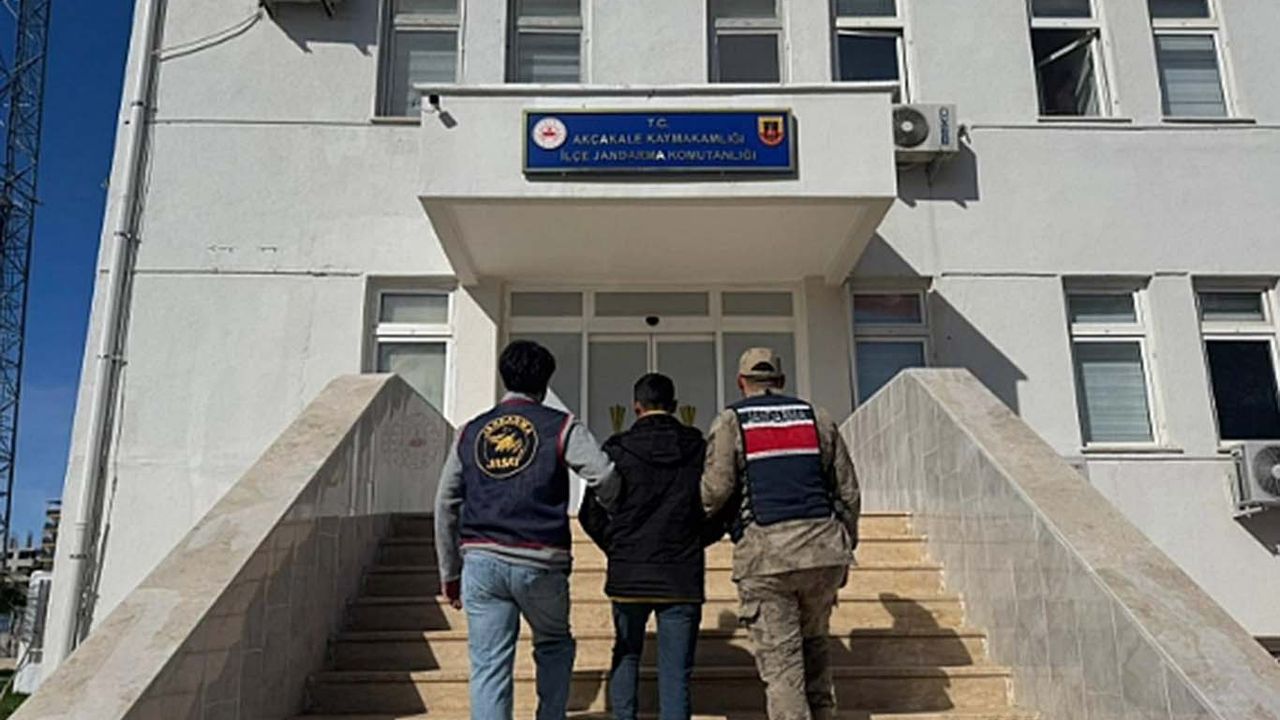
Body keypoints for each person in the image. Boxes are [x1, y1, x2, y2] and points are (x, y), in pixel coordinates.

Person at [435, 340, 620, 720]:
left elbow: (445, 503)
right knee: (553, 645)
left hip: (481, 560)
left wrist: (450, 572)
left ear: (504, 376)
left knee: (489, 665)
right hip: (541, 559)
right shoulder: (561, 425)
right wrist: (613, 510)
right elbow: (603, 475)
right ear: (545, 382)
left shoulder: (470, 431)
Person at [700, 348, 862, 720]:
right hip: (824, 553)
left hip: (767, 559)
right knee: (815, 645)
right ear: (782, 381)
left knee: (783, 667)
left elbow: (716, 489)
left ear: (741, 382)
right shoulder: (817, 417)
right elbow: (848, 491)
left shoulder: (731, 421)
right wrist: (845, 541)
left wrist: (691, 521)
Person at [579, 373, 722, 720]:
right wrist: (695, 539)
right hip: (680, 574)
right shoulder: (698, 449)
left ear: (636, 407)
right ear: (674, 406)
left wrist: (617, 546)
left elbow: (589, 514)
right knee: (676, 672)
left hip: (629, 572)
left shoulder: (617, 449)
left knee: (626, 654)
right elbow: (722, 502)